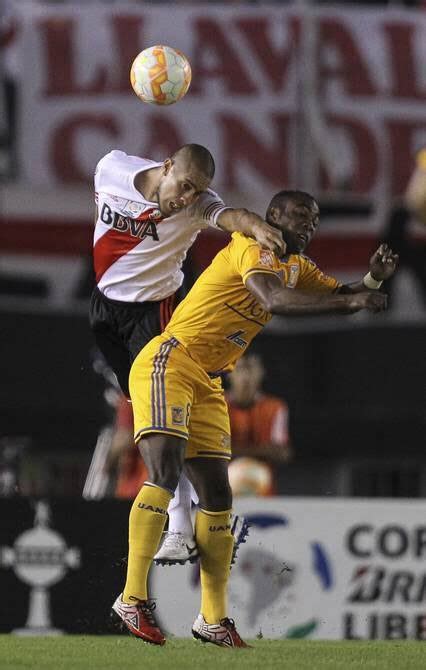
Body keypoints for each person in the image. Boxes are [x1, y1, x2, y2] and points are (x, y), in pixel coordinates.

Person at [112, 189, 398, 647]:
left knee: (219, 495)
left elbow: (348, 294)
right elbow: (273, 301)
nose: (310, 224)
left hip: (208, 378)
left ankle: (212, 618)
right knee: (165, 471)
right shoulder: (252, 247)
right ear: (274, 216)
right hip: (171, 358)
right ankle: (131, 598)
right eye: (302, 215)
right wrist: (352, 304)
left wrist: (373, 280)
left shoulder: (296, 266)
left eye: (316, 218)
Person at [89, 143, 284, 553]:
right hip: (105, 308)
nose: (187, 198)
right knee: (141, 411)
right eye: (184, 186)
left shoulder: (198, 206)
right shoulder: (111, 169)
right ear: (166, 167)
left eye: (197, 191)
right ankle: (178, 514)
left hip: (155, 313)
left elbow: (229, 215)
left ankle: (178, 523)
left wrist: (256, 226)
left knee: (161, 414)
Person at [227, 353, 291, 495]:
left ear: (261, 373)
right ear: (229, 372)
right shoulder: (216, 405)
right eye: (240, 369)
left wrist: (233, 451)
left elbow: (282, 453)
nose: (245, 377)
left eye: (251, 369)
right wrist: (262, 450)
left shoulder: (275, 407)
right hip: (221, 490)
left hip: (262, 490)